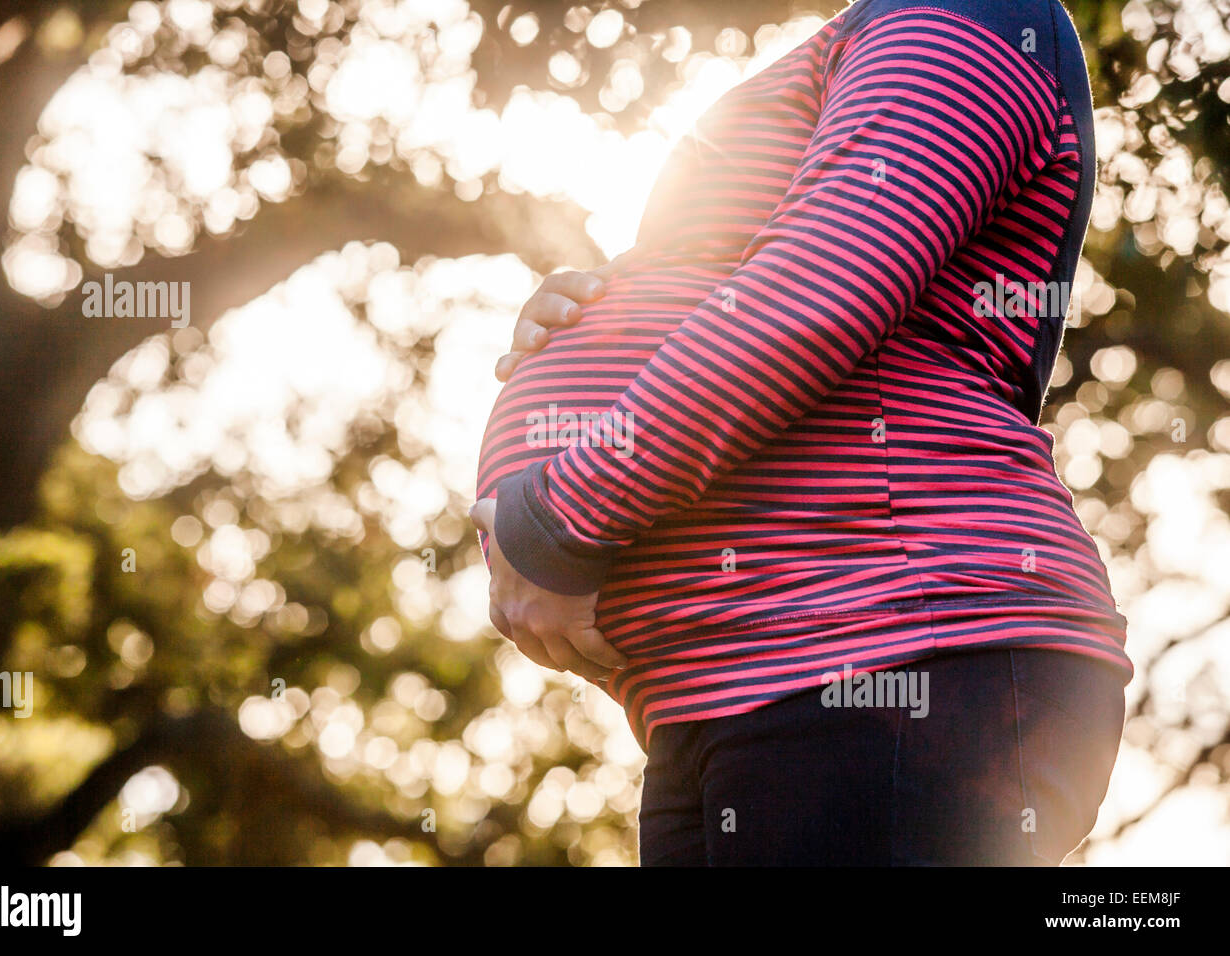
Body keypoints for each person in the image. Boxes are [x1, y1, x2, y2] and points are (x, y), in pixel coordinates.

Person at [471, 0, 1132, 865]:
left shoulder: (969, 10)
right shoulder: (865, 34)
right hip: (733, 684)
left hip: (891, 644)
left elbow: (820, 288)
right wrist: (607, 299)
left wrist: (557, 518)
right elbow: (751, 281)